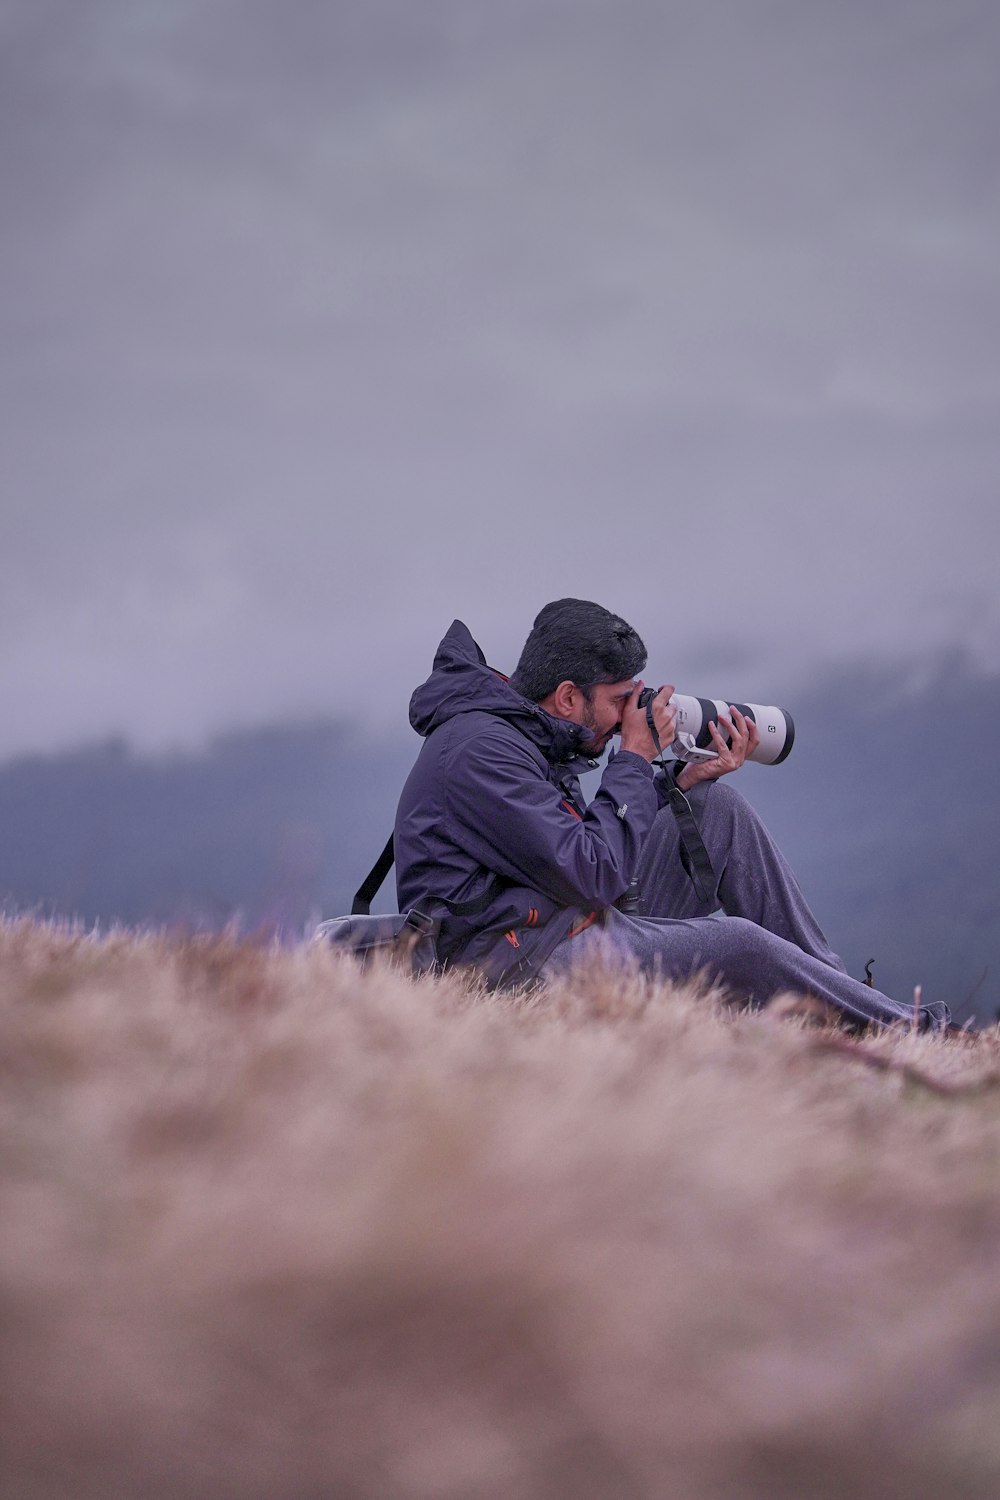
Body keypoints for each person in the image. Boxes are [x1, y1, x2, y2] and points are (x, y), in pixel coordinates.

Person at [395, 600, 950, 1032]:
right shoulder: (480, 752)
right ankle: (914, 1031)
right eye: (618, 701)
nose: (626, 716)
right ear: (567, 698)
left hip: (548, 924)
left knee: (713, 810)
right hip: (504, 967)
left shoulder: (516, 732)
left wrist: (675, 784)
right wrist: (634, 757)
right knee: (739, 946)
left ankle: (846, 999)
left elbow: (568, 848)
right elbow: (591, 873)